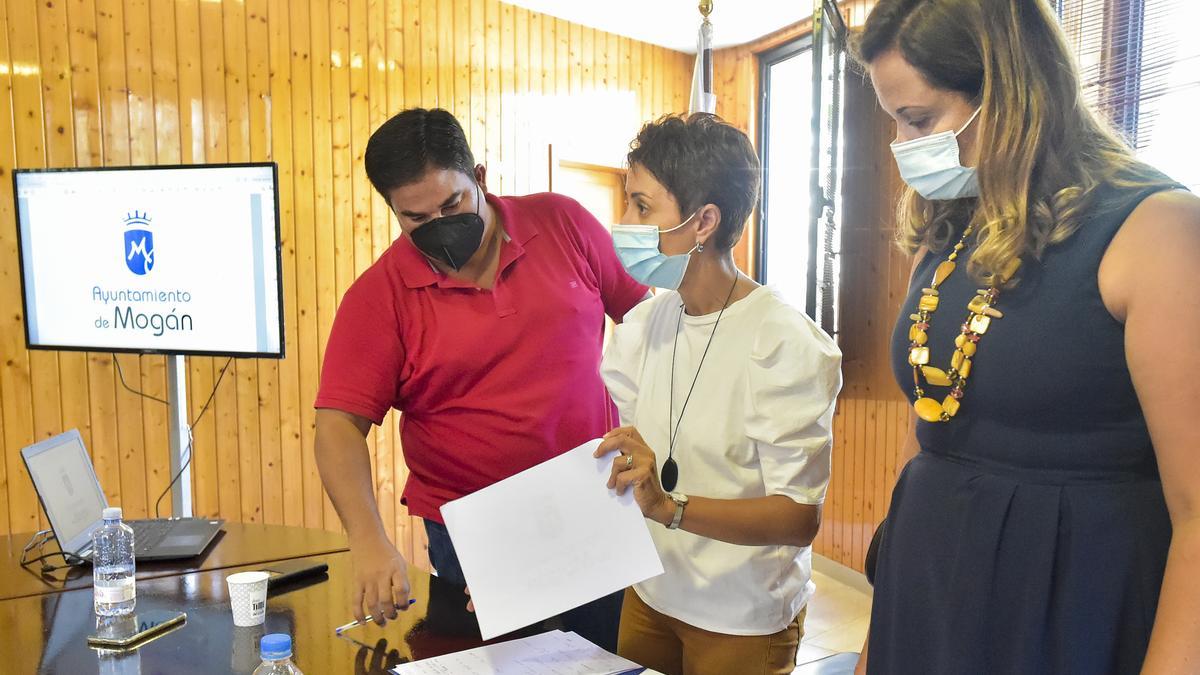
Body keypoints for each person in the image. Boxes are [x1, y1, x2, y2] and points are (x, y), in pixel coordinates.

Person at [851, 1, 1200, 673]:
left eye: (917, 120)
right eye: (894, 120)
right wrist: (878, 641)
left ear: (1010, 91)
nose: (901, 146)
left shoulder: (1158, 231)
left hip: (1069, 606)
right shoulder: (950, 229)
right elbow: (927, 430)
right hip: (927, 593)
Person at [313, 108, 647, 650]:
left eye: (453, 204)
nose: (439, 225)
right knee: (507, 664)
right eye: (416, 218)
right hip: (477, 530)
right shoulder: (379, 298)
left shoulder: (563, 224)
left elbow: (646, 323)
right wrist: (369, 542)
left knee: (608, 657)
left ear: (481, 177)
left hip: (592, 502)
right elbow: (336, 429)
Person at [595, 113, 842, 675]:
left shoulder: (781, 341)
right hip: (652, 591)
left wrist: (669, 507)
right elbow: (638, 466)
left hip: (740, 614)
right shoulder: (645, 325)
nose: (623, 222)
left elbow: (797, 517)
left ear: (703, 221)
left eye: (641, 206)